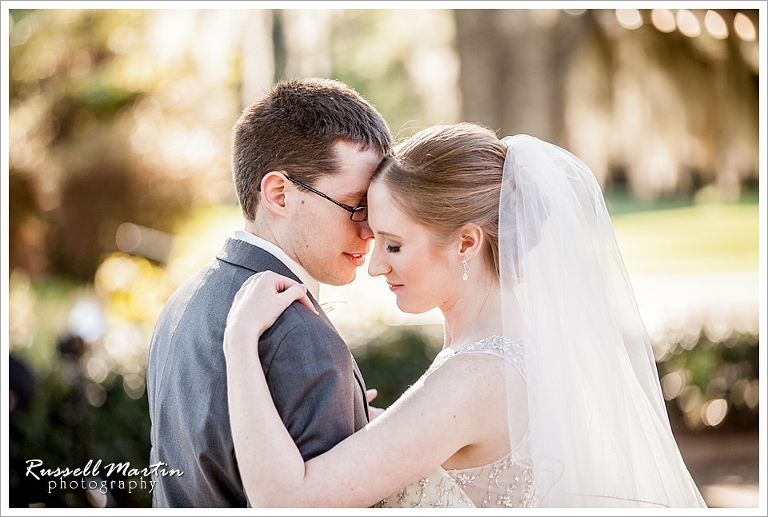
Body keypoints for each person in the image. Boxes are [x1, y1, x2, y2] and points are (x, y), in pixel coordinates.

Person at [222, 122, 708, 508]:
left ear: (466, 242)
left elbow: (287, 502)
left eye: (394, 244)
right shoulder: (503, 353)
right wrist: (373, 422)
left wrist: (240, 343)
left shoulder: (475, 377)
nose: (375, 265)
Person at [146, 77, 392, 507]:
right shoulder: (297, 334)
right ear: (279, 193)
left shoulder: (183, 301)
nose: (370, 230)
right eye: (357, 205)